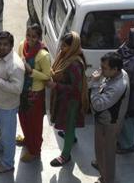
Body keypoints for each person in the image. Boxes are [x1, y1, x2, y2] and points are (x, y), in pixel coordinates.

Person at [0, 31, 24, 174]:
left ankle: (7, 164)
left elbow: (17, 88)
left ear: (11, 46)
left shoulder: (15, 65)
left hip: (7, 107)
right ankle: (1, 146)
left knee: (8, 136)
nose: (1, 47)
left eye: (5, 45)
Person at [48, 32, 87, 167]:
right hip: (64, 98)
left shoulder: (75, 64)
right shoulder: (65, 56)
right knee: (68, 123)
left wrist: (56, 85)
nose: (61, 49)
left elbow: (75, 88)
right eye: (62, 45)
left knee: (69, 125)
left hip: (71, 100)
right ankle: (72, 138)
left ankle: (65, 155)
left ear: (73, 47)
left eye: (65, 46)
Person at [89, 52, 129, 183]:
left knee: (106, 153)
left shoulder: (118, 86)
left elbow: (98, 105)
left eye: (104, 68)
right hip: (107, 120)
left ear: (115, 69)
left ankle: (106, 178)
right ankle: (103, 169)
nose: (101, 70)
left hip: (108, 124)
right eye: (101, 66)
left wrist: (95, 83)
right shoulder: (119, 73)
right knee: (103, 151)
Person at [15, 24, 51, 162]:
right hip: (22, 89)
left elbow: (47, 76)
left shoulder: (43, 55)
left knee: (34, 123)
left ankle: (35, 149)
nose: (30, 39)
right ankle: (27, 139)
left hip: (34, 94)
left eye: (34, 36)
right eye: (28, 35)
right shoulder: (22, 45)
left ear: (39, 37)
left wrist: (31, 71)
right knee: (23, 117)